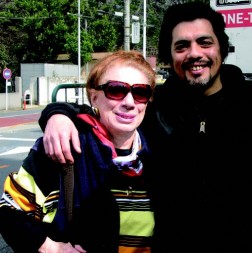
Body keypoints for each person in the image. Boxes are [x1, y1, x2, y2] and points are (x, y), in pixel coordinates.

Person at [38, 2, 252, 252]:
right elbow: (108, 111)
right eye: (182, 46)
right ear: (170, 54)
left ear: (222, 47)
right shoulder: (154, 105)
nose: (195, 53)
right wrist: (58, 114)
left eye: (205, 42)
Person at [0, 50, 156, 253]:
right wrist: (51, 248)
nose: (129, 102)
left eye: (140, 93)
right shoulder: (63, 148)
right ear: (94, 97)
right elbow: (9, 212)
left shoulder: (160, 151)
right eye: (116, 90)